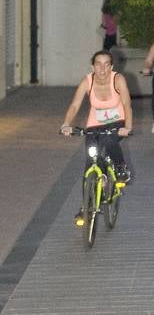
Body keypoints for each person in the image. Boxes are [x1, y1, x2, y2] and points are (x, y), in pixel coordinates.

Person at [60, 51, 133, 202]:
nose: (102, 69)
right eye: (98, 64)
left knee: (108, 141)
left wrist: (128, 127)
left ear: (111, 67)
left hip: (117, 122)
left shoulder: (118, 79)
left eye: (107, 65)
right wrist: (66, 124)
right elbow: (75, 105)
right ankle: (86, 205)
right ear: (92, 67)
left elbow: (126, 104)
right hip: (95, 124)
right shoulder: (87, 81)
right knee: (90, 162)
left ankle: (120, 167)